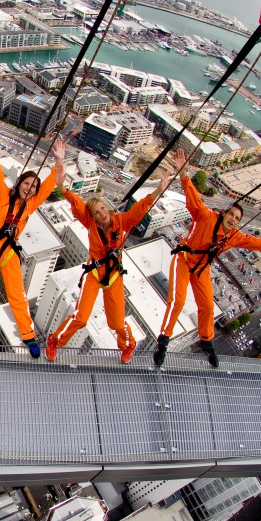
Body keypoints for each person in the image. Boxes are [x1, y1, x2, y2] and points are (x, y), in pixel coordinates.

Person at [154, 149, 261, 368]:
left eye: (237, 218)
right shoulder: (204, 217)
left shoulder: (234, 236)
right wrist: (183, 169)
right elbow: (191, 193)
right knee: (178, 300)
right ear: (223, 213)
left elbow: (259, 243)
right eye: (231, 214)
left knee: (208, 308)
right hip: (184, 259)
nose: (233, 219)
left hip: (201, 268)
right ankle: (163, 342)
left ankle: (207, 342)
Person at [45, 149, 173, 363]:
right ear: (93, 216)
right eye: (97, 212)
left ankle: (126, 344)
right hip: (94, 272)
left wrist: (158, 190)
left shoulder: (121, 222)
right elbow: (76, 204)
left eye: (103, 209)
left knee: (116, 323)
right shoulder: (91, 224)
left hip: (114, 276)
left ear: (108, 208)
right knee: (82, 317)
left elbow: (140, 209)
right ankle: (55, 340)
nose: (102, 214)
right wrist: (61, 186)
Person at [0, 122, 56, 359]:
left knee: (17, 296)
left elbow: (50, 184)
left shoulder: (31, 205)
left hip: (8, 253)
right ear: (19, 184)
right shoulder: (3, 195)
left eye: (33, 186)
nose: (30, 188)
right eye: (26, 183)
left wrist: (59, 160)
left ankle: (28, 337)